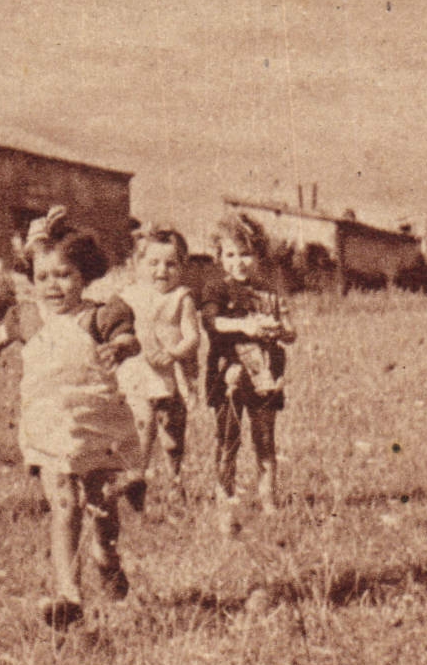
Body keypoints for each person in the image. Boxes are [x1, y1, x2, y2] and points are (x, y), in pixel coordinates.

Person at [0, 207, 139, 629]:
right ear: (31, 278)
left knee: (101, 507)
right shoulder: (25, 317)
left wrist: (120, 348)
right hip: (48, 425)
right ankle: (69, 593)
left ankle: (106, 555)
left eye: (64, 275)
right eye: (43, 276)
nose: (52, 285)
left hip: (96, 423)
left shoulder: (100, 313)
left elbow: (128, 338)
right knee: (63, 502)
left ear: (84, 274)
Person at [202, 212, 295, 523]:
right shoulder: (217, 289)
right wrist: (247, 326)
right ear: (219, 256)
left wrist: (278, 330)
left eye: (246, 254)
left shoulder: (269, 291)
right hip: (229, 368)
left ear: (258, 255)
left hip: (266, 372)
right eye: (230, 254)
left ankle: (268, 497)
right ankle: (224, 493)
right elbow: (213, 322)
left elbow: (291, 331)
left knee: (265, 436)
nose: (239, 262)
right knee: (228, 435)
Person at [115, 227, 201, 507]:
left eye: (170, 264)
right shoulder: (128, 296)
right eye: (153, 263)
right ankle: (136, 478)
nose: (161, 271)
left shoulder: (181, 298)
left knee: (173, 435)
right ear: (137, 265)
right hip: (136, 372)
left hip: (169, 376)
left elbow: (192, 337)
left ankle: (175, 482)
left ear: (181, 267)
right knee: (142, 424)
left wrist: (175, 353)